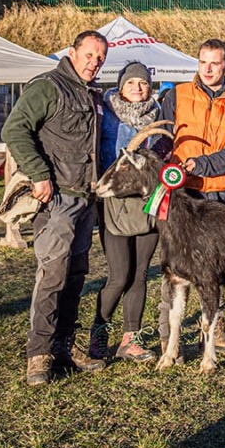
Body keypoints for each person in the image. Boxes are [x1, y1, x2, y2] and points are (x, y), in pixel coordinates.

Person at [2, 30, 110, 386]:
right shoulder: (49, 86)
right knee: (52, 275)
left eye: (100, 57)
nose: (95, 62)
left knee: (76, 274)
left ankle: (64, 346)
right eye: (90, 54)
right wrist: (39, 175)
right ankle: (39, 354)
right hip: (57, 199)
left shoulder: (91, 93)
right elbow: (15, 129)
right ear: (72, 52)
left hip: (84, 199)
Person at [158, 38, 225, 350]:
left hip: (220, 194)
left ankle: (215, 329)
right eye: (203, 62)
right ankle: (166, 331)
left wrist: (205, 164)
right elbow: (164, 137)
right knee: (176, 263)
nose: (208, 69)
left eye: (215, 63)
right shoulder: (178, 94)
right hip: (183, 193)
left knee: (216, 265)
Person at [89, 61, 163, 364]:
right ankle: (98, 334)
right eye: (131, 82)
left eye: (143, 83)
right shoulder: (106, 115)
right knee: (119, 276)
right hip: (113, 203)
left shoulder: (158, 118)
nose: (137, 87)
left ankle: (130, 340)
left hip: (147, 204)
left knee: (140, 275)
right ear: (121, 86)